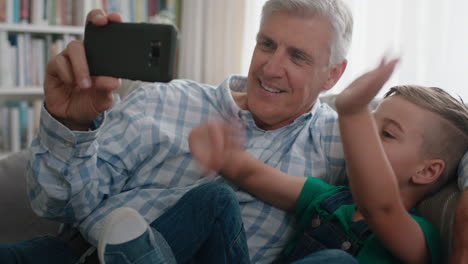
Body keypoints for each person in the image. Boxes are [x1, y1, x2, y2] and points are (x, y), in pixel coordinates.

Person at [21, 1, 354, 263]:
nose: (270, 68)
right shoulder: (164, 100)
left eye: (297, 57)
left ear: (332, 76)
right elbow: (59, 206)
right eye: (267, 44)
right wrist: (72, 125)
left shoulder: (338, 142)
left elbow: (394, 210)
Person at [187, 60, 468, 263]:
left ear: (427, 170)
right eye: (367, 125)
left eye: (385, 133)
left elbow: (380, 207)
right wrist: (221, 152)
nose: (363, 139)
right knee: (215, 198)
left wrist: (352, 111)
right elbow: (250, 173)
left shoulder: (421, 236)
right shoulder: (329, 198)